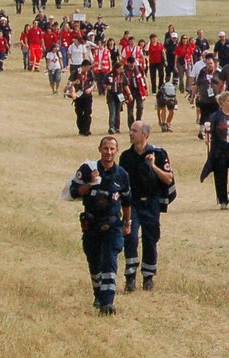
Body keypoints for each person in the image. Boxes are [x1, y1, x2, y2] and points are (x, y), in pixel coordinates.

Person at [69, 134, 130, 315]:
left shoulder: (122, 175)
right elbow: (73, 192)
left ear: (117, 151)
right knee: (95, 263)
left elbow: (127, 202)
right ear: (99, 150)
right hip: (92, 225)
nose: (109, 152)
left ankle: (107, 303)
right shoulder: (88, 170)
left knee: (110, 261)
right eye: (105, 148)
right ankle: (98, 294)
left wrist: (127, 223)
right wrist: (90, 184)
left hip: (113, 226)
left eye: (112, 149)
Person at [119, 121, 174, 293]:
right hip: (133, 202)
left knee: (150, 239)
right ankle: (130, 277)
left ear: (145, 135)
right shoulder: (126, 157)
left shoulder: (158, 153)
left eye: (134, 131)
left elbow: (168, 179)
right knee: (131, 237)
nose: (130, 133)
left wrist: (153, 166)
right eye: (130, 130)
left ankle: (148, 277)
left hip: (151, 202)